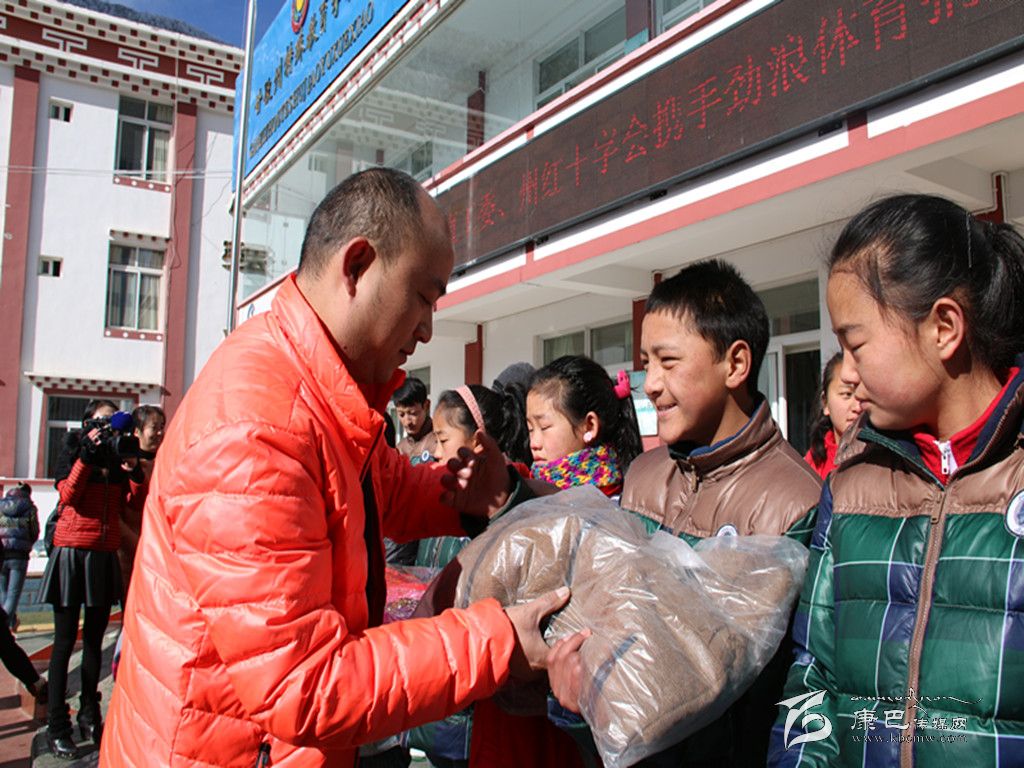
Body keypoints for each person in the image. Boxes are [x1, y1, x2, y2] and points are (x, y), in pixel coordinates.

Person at [101, 168, 580, 768]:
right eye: (424, 296)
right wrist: (499, 641)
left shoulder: (318, 389)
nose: (427, 328)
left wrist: (475, 491)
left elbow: (386, 491)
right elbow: (305, 685)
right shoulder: (256, 426)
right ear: (356, 266)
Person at [768, 195, 1024, 767]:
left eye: (855, 345)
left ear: (943, 327)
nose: (847, 374)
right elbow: (813, 675)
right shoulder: (852, 484)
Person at [548, 259, 823, 767]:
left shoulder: (795, 501)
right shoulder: (644, 476)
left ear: (735, 364)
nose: (650, 383)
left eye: (668, 361)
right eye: (645, 363)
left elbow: (800, 691)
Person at [43, 399, 147, 759]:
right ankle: (57, 725)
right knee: (63, 644)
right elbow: (68, 496)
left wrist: (133, 469)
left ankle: (90, 713)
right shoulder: (74, 447)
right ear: (87, 423)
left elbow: (131, 503)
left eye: (111, 422)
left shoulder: (117, 453)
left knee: (93, 642)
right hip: (72, 552)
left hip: (104, 553)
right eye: (100, 422)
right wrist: (86, 458)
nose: (106, 429)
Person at [527, 355, 643, 497]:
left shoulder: (616, 501)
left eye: (544, 427)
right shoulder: (524, 491)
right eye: (530, 429)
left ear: (589, 426)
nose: (534, 444)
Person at [804, 352, 862, 478]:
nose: (857, 407)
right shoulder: (811, 466)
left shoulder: (886, 458)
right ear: (825, 402)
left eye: (863, 395)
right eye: (847, 394)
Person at [0, 482, 39, 628]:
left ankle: (9, 623)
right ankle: (3, 627)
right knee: (13, 594)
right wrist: (27, 543)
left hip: (2, 553)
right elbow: (34, 531)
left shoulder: (1, 506)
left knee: (3, 592)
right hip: (19, 555)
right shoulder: (30, 508)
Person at [393, 376, 437, 466]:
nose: (407, 422)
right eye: (401, 414)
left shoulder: (439, 440)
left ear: (426, 406)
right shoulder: (399, 449)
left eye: (413, 413)